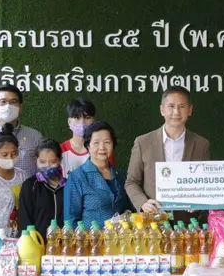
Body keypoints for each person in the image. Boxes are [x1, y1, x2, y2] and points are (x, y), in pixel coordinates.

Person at [125, 86, 210, 215]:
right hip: (152, 219)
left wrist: (198, 202)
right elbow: (131, 182)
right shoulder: (143, 142)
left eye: (181, 106)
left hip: (187, 221)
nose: (176, 112)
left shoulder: (201, 144)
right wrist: (143, 203)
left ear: (190, 110)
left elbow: (206, 184)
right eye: (171, 106)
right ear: (162, 110)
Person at [65, 121, 131, 226]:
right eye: (96, 143)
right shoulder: (77, 177)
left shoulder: (121, 175)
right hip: (92, 236)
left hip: (122, 235)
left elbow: (129, 209)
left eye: (107, 142)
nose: (102, 147)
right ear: (88, 145)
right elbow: (70, 221)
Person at [0, 84, 43, 178]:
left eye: (13, 102)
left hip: (26, 187)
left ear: (20, 107)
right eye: (3, 101)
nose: (8, 106)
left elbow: (42, 171)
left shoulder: (35, 136)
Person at [18, 139, 65, 238]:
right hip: (37, 243)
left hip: (63, 243)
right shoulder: (30, 186)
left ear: (60, 160)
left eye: (53, 162)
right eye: (42, 162)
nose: (47, 166)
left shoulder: (68, 186)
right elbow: (24, 219)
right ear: (36, 160)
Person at [60, 97, 115, 177]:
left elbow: (111, 179)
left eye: (87, 118)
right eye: (77, 118)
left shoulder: (103, 150)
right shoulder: (60, 151)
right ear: (69, 121)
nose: (82, 122)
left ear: (94, 120)